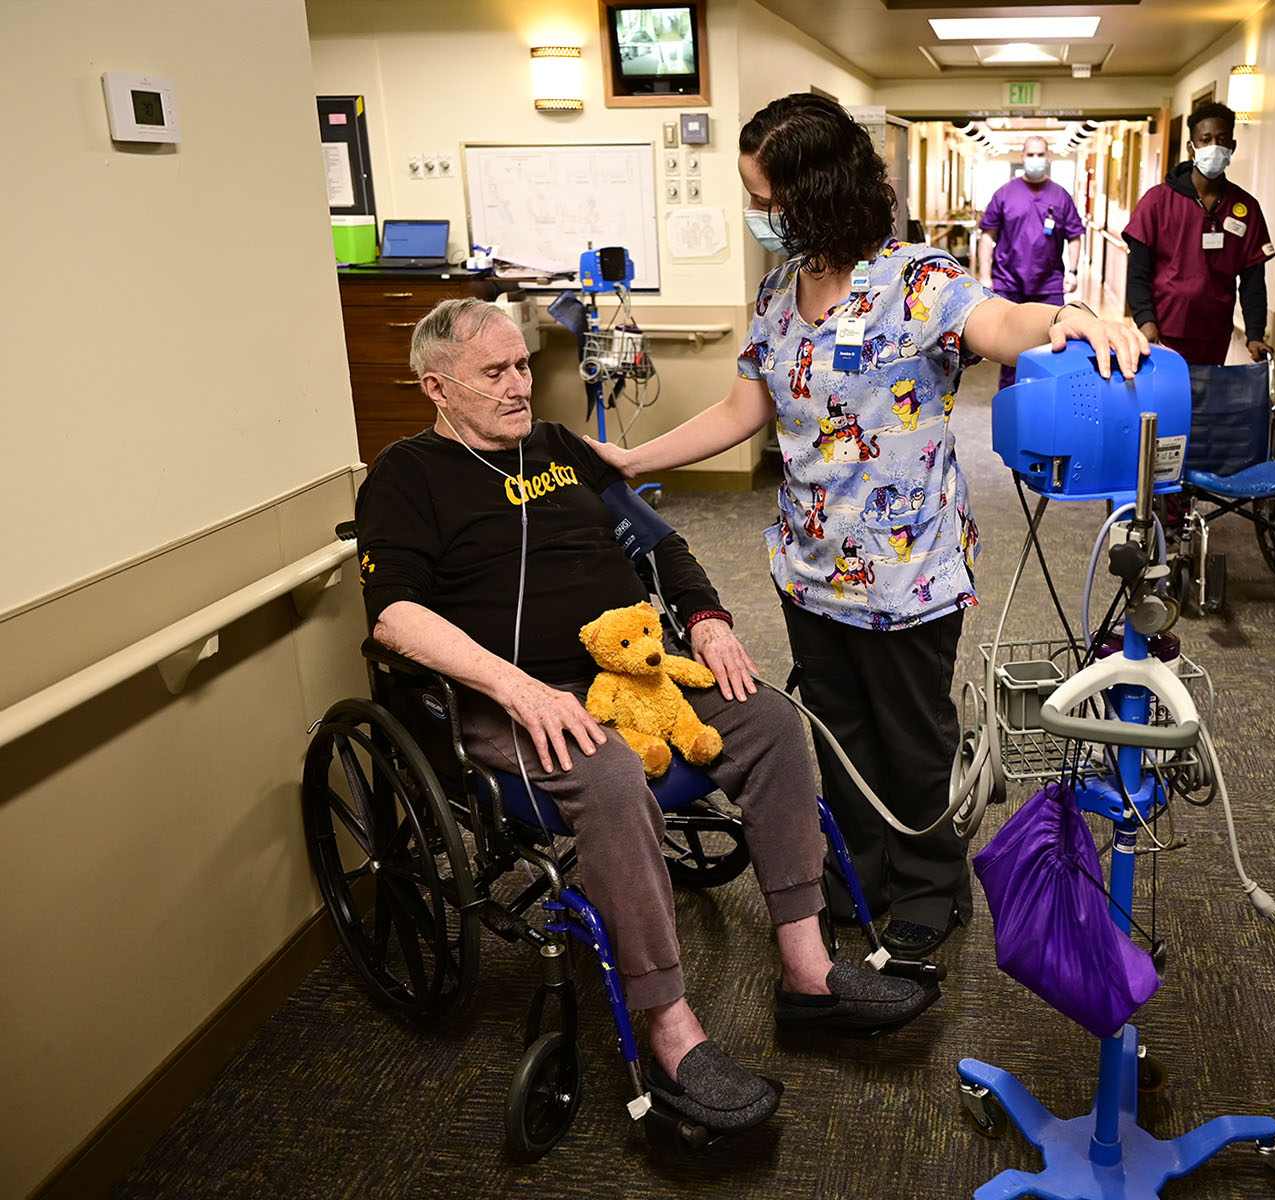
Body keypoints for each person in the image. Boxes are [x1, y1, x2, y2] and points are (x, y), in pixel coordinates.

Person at [354, 298, 935, 1135]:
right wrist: (517, 689)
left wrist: (705, 618)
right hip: (515, 698)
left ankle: (808, 971)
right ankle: (670, 1026)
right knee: (612, 772)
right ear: (436, 388)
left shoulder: (558, 447)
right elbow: (394, 616)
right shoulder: (406, 476)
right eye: (496, 373)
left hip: (641, 668)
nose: (521, 385)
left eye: (522, 365)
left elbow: (659, 542)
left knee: (770, 720)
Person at [587, 93, 1148, 961]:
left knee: (912, 743)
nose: (757, 218)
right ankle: (868, 872)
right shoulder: (779, 292)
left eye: (766, 201)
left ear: (816, 194)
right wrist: (634, 458)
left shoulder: (916, 279)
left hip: (908, 574)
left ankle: (931, 887)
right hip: (807, 568)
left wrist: (1065, 319)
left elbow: (998, 322)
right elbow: (745, 407)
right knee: (839, 741)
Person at [1123, 101, 1275, 366]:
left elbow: (1253, 282)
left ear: (1232, 147)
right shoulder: (1157, 202)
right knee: (1167, 405)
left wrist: (1254, 334)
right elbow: (1137, 273)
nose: (1214, 146)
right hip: (1163, 332)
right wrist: (1145, 321)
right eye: (1206, 140)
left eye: (1221, 139)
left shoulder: (1245, 208)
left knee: (1206, 405)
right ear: (1191, 147)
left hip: (1214, 334)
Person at [977, 134, 1087, 389]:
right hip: (1009, 283)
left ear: (1048, 157)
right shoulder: (1005, 193)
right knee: (1010, 352)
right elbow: (987, 235)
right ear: (1022, 157)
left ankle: (1046, 401)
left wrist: (1072, 270)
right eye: (1031, 154)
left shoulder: (1060, 196)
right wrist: (985, 275)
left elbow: (1075, 235)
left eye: (1040, 155)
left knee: (1054, 347)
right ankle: (1011, 401)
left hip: (1048, 285)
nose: (1035, 159)